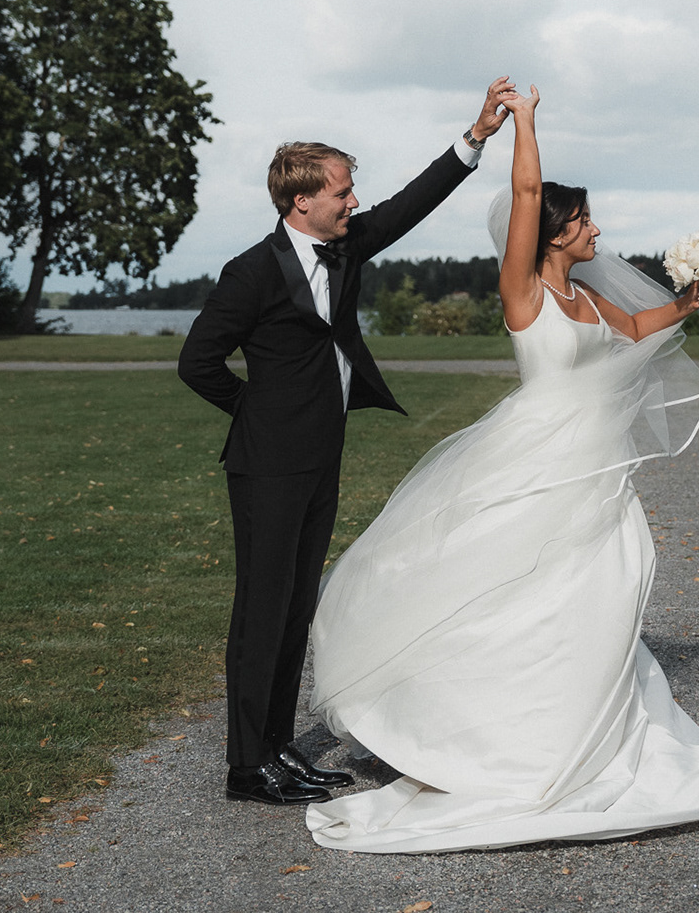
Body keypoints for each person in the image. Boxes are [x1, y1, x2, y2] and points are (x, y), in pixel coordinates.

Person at [304, 84, 699, 851]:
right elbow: (528, 193)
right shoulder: (525, 289)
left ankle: (577, 715)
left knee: (610, 581)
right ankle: (492, 733)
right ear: (554, 232)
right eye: (584, 221)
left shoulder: (589, 300)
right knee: (512, 592)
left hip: (597, 472)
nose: (596, 229)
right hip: (537, 461)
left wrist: (689, 302)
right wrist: (526, 124)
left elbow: (638, 325)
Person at [178, 76, 516, 807]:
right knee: (262, 611)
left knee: (296, 607)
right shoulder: (250, 272)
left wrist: (476, 136)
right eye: (342, 191)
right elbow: (196, 362)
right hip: (267, 467)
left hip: (319, 458)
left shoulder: (348, 247)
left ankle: (277, 750)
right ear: (301, 200)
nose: (354, 201)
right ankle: (247, 769)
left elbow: (411, 204)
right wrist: (259, 417)